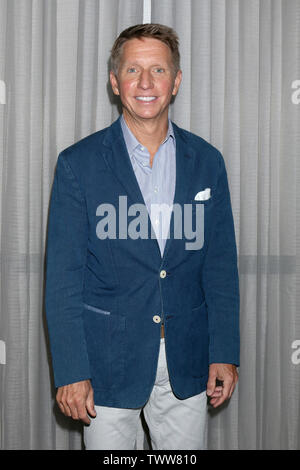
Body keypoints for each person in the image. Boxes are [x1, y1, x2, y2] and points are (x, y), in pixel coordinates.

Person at [45, 23, 240, 450]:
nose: (146, 83)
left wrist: (224, 350)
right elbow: (62, 279)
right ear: (115, 82)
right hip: (106, 364)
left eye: (158, 70)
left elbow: (221, 266)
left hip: (187, 361)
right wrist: (71, 370)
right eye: (133, 70)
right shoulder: (78, 164)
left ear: (177, 81)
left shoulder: (208, 162)